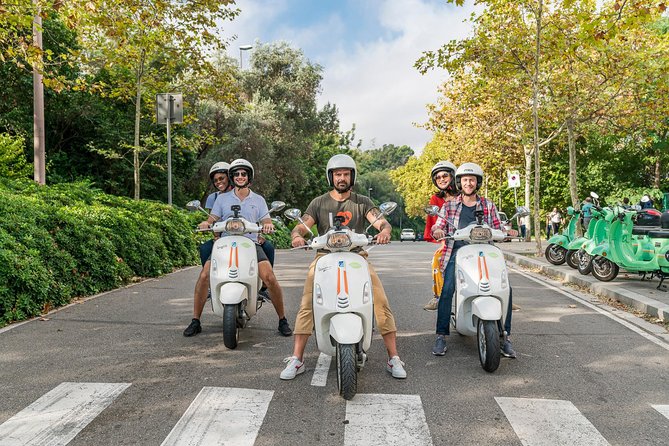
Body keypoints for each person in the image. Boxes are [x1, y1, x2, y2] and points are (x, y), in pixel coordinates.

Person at [280, 154, 407, 380]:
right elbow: (301, 227)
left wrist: (385, 230)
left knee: (380, 302)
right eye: (337, 174)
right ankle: (297, 358)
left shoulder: (362, 202)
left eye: (345, 174)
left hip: (358, 257)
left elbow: (380, 221)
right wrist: (296, 236)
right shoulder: (319, 202)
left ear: (352, 176)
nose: (341, 178)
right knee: (307, 302)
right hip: (323, 258)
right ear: (331, 176)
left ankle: (393, 357)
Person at [183, 158, 293, 338]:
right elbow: (212, 219)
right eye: (236, 174)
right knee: (204, 275)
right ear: (232, 177)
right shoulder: (222, 199)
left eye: (244, 174)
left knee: (269, 277)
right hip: (224, 243)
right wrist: (206, 222)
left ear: (249, 177)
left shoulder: (258, 200)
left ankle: (282, 320)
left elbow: (266, 220)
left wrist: (268, 226)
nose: (240, 177)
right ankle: (195, 320)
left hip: (250, 243)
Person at [430, 162, 517, 358]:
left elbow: (498, 227)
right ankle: (441, 335)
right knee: (448, 289)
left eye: (472, 180)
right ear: (459, 183)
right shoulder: (450, 204)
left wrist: (507, 231)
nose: (468, 183)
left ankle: (505, 337)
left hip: (486, 250)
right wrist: (438, 231)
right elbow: (439, 225)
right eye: (464, 180)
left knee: (506, 289)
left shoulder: (488, 204)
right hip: (459, 251)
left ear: (477, 183)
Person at [423, 161, 458, 311]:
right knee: (437, 260)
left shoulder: (467, 194)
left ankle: (501, 294)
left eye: (445, 175)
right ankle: (438, 297)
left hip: (470, 239)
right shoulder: (435, 200)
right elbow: (434, 227)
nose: (442, 179)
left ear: (453, 176)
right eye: (438, 178)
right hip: (448, 241)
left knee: (494, 256)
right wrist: (441, 241)